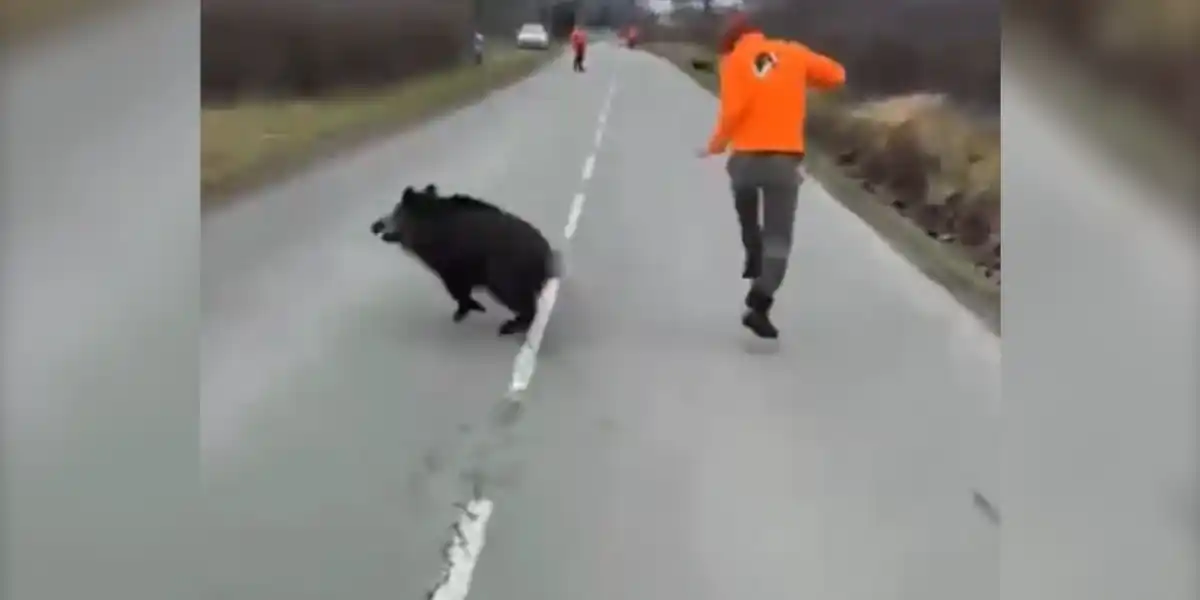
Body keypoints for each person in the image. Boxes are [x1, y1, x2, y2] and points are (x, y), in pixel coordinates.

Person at [697, 13, 846, 339]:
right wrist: (803, 78)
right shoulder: (793, 53)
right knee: (778, 239)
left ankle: (752, 252)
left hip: (744, 161)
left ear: (730, 42)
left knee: (749, 218)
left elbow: (732, 112)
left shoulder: (733, 62)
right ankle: (759, 301)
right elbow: (836, 76)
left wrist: (715, 146)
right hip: (782, 161)